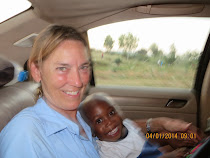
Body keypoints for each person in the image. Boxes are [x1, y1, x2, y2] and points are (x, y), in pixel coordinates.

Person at [0, 24, 201, 158]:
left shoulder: (78, 115)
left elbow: (121, 131)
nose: (78, 82)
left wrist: (161, 125)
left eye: (84, 67)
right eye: (62, 68)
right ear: (37, 71)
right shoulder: (25, 135)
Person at [79, 92, 199, 158]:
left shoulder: (126, 125)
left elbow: (148, 135)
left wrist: (171, 137)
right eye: (99, 121)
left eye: (111, 113)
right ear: (92, 132)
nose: (109, 121)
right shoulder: (108, 152)